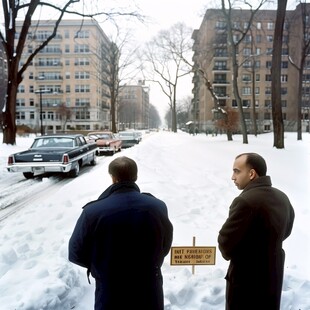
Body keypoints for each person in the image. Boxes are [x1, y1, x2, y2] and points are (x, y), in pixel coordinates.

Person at [68, 156, 173, 310]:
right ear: (135, 177)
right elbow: (165, 244)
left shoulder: (92, 212)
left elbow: (76, 252)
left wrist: (101, 267)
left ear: (113, 178)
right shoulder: (157, 207)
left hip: (110, 290)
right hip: (149, 287)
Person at [218, 152, 295, 310]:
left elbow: (226, 244)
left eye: (237, 171)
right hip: (273, 277)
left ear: (252, 173)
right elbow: (285, 231)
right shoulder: (283, 198)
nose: (233, 177)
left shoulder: (244, 201)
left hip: (246, 284)